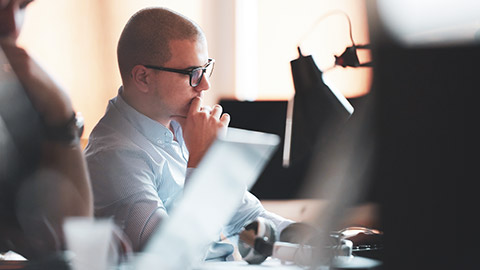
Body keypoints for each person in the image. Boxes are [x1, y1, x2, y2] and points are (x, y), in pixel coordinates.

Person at [84, 7, 292, 258]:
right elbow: (171, 256)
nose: (205, 85)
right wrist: (201, 161)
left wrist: (323, 238)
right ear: (143, 77)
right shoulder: (113, 158)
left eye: (205, 69)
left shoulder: (182, 128)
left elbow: (246, 216)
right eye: (192, 74)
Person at [0, 0, 93, 260]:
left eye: (21, 6)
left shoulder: (14, 105)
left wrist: (61, 111)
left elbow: (69, 233)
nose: (11, 26)